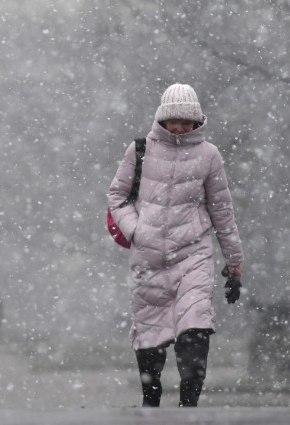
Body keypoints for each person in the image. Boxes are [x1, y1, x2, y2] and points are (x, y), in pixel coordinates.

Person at [107, 83, 244, 407]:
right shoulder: (139, 150)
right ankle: (150, 405)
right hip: (149, 258)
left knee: (195, 329)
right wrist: (137, 230)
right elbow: (117, 196)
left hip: (192, 256)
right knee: (150, 341)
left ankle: (189, 407)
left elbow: (221, 210)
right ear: (162, 119)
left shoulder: (209, 155)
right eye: (174, 119)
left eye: (186, 120)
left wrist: (234, 261)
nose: (180, 126)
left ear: (197, 121)